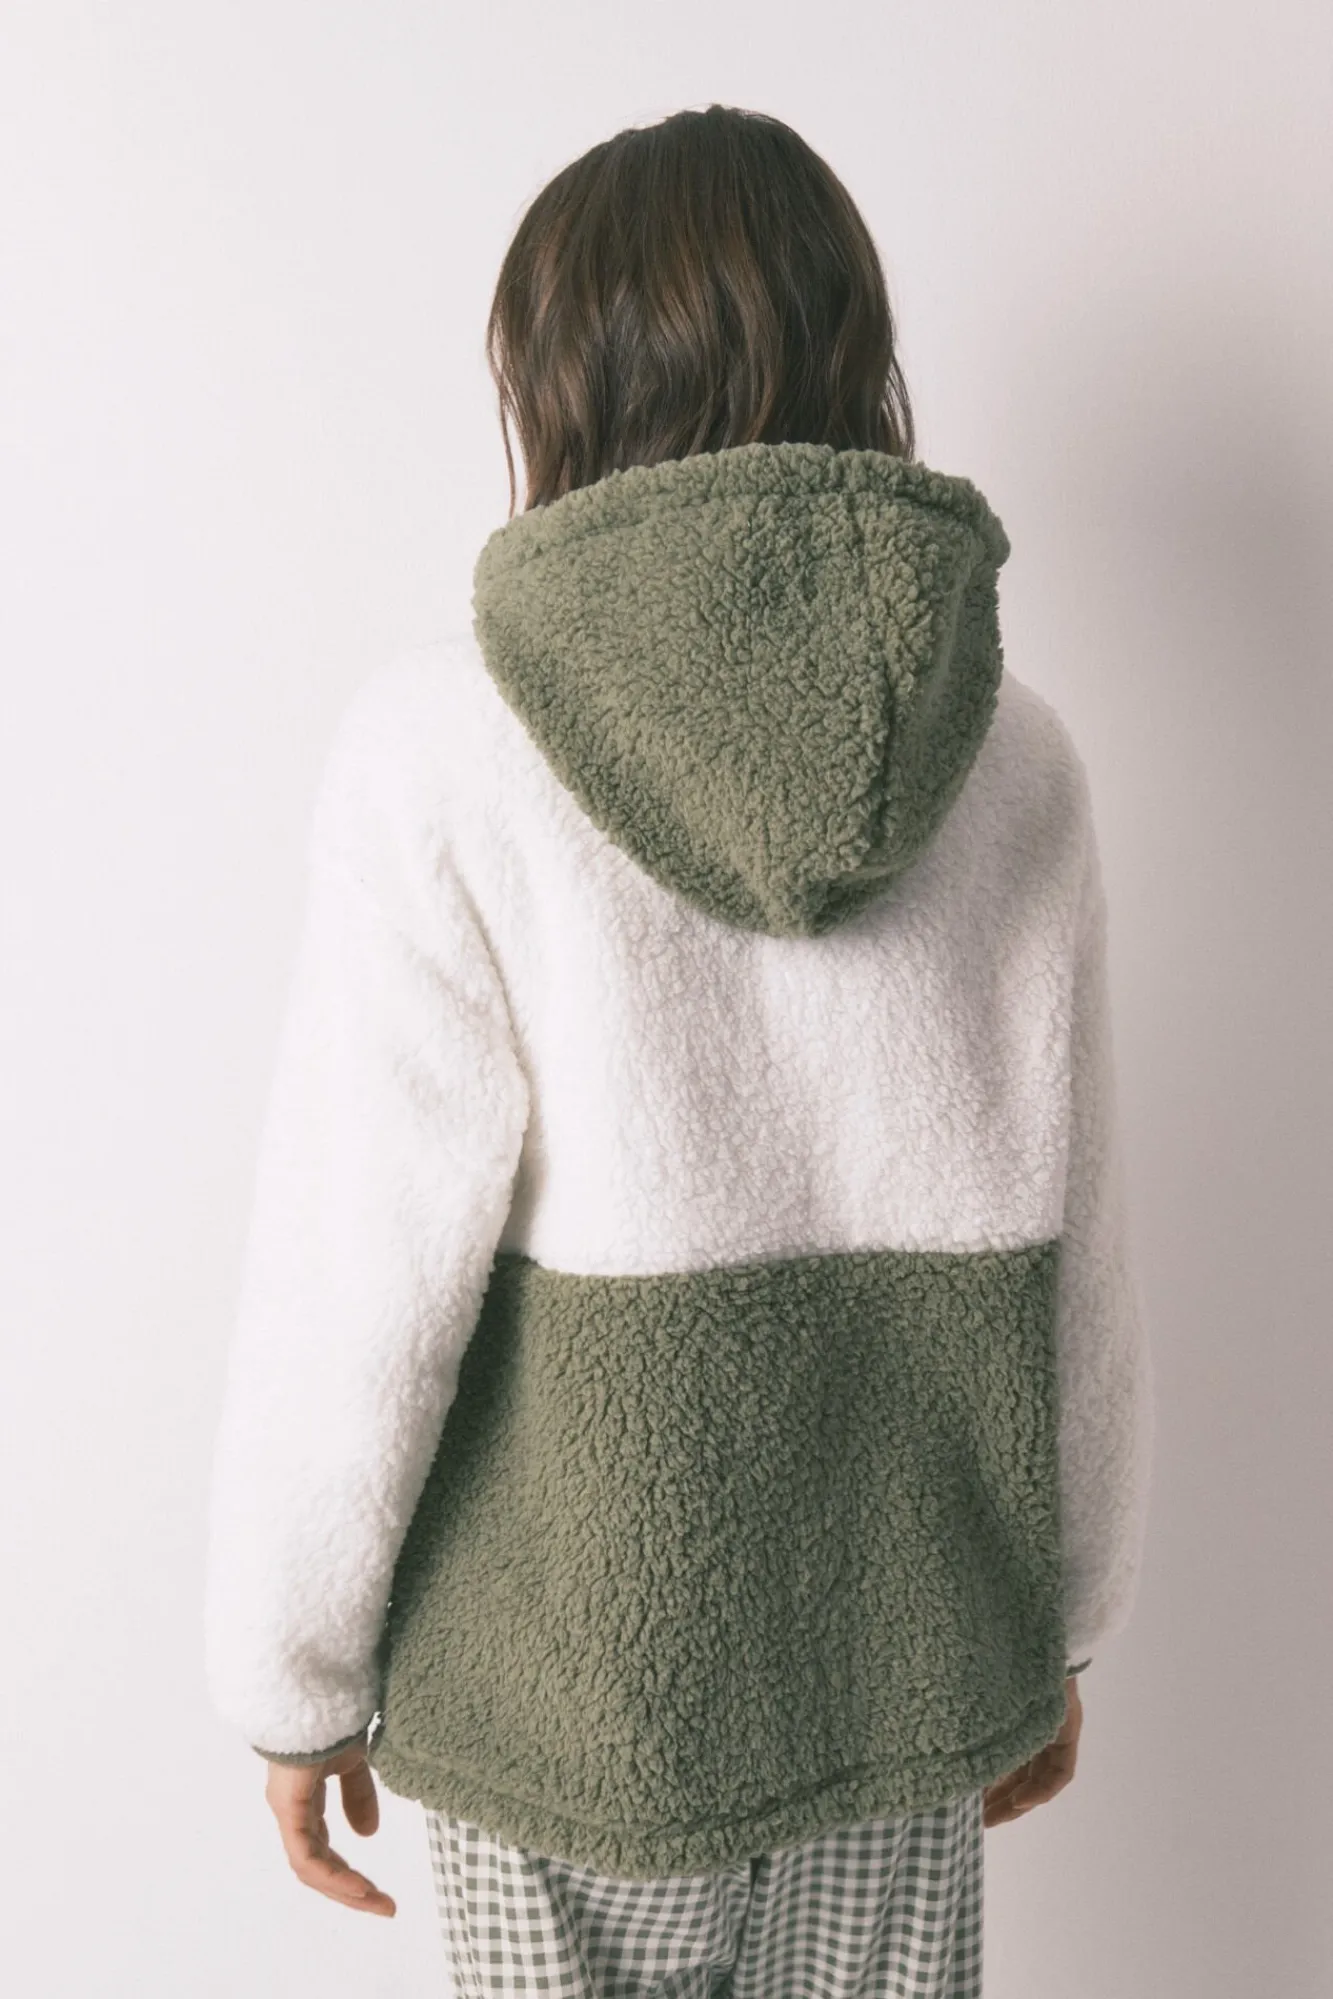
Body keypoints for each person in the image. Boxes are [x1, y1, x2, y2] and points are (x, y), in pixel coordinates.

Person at [203, 102, 1154, 1997]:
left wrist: (289, 1671)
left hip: (566, 1707)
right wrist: (1059, 1622)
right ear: (855, 359)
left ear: (558, 388)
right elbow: (1084, 1251)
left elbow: (357, 1269)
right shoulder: (1015, 760)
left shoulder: (444, 757)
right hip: (900, 1684)